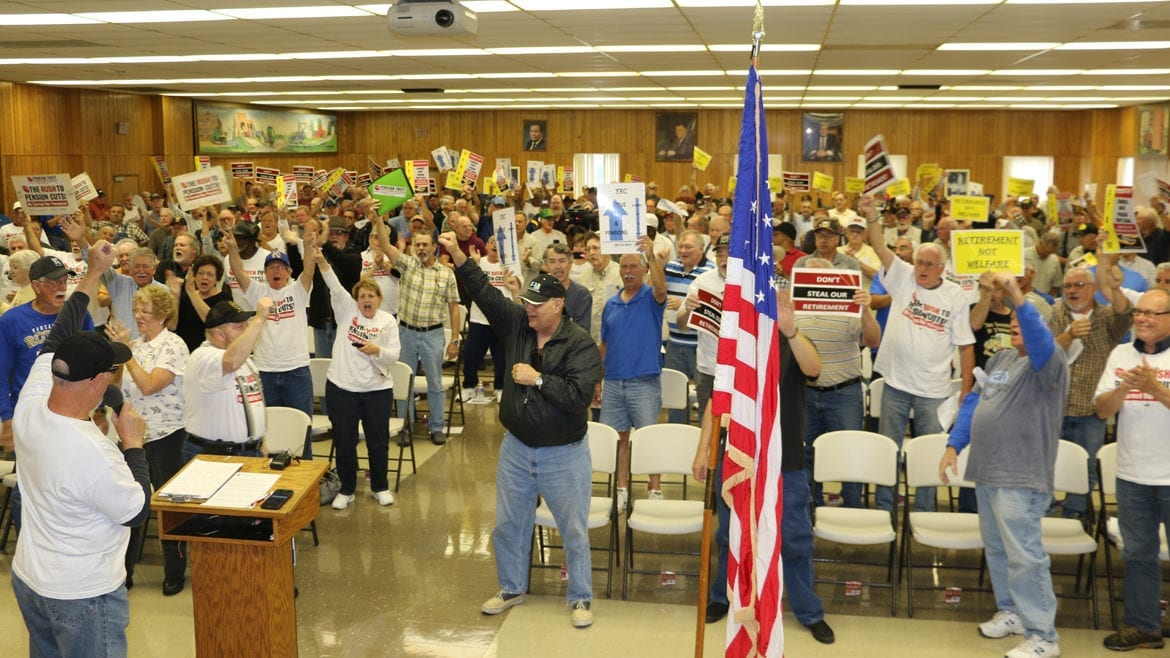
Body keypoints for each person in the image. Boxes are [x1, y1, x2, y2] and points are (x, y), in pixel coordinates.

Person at [439, 228, 601, 628]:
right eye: (526, 301)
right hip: (516, 448)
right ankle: (512, 587)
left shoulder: (579, 343)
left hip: (564, 452)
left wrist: (539, 379)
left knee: (574, 529)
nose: (528, 308)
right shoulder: (516, 325)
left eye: (537, 304)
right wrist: (460, 255)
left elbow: (579, 397)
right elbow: (484, 292)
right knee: (509, 525)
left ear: (558, 305)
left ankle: (580, 597)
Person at [11, 239, 151, 657]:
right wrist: (133, 445)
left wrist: (92, 273)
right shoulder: (94, 452)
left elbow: (60, 331)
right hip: (82, 593)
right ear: (97, 381)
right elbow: (136, 510)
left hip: (31, 579)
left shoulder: (32, 401)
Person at [692, 285, 834, 645]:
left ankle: (809, 611)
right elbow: (716, 402)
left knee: (796, 539)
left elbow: (814, 368)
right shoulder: (737, 342)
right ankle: (723, 598)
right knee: (730, 536)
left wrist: (790, 330)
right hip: (740, 458)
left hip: (786, 461)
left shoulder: (791, 337)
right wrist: (702, 448)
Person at [939, 272, 1067, 658]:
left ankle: (1044, 635)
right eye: (1010, 318)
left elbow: (1039, 337)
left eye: (1021, 318)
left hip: (1022, 476)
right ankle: (1012, 613)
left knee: (1025, 555)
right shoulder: (1001, 358)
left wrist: (1014, 294)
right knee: (998, 549)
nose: (1014, 322)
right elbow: (975, 403)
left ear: (1040, 325)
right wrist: (953, 445)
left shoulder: (1050, 363)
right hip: (988, 471)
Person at [863, 196, 975, 512]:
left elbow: (966, 346)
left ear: (942, 268)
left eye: (929, 265)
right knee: (889, 450)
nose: (922, 269)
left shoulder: (955, 295)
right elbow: (881, 249)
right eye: (919, 263)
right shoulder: (903, 276)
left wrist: (966, 390)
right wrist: (872, 217)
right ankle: (884, 510)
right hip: (896, 384)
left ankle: (924, 512)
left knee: (929, 453)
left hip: (934, 391)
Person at [1094, 288, 1170, 652]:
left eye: (1153, 313)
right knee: (1138, 554)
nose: (1142, 318)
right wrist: (1125, 385)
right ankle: (1143, 626)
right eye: (1139, 311)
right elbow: (1102, 410)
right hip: (1132, 474)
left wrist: (1155, 388)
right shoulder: (1121, 353)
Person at [107, 285, 191, 596]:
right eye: (138, 310)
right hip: (132, 435)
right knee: (128, 503)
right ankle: (123, 572)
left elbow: (149, 385)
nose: (139, 316)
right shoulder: (136, 346)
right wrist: (118, 355)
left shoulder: (174, 345)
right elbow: (116, 387)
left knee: (169, 505)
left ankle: (175, 570)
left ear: (163, 315)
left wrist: (127, 356)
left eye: (146, 312)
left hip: (166, 434)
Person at [316, 246, 401, 510]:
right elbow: (333, 283)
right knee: (344, 440)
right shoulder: (346, 311)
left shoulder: (387, 321)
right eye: (362, 296)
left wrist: (377, 350)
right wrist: (320, 261)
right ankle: (347, 489)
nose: (367, 300)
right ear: (356, 299)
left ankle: (380, 487)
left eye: (371, 296)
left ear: (378, 299)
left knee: (378, 441)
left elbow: (394, 355)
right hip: (342, 389)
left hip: (377, 390)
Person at [797, 257, 881, 508]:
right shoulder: (794, 308)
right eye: (810, 278)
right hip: (805, 393)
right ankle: (809, 512)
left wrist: (866, 309)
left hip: (843, 393)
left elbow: (873, 340)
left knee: (849, 453)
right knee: (807, 455)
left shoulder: (850, 307)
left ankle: (853, 509)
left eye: (822, 277)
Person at [1050, 266, 1131, 520]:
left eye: (1078, 285)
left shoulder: (1106, 317)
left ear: (1093, 288)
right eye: (1068, 286)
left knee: (1085, 467)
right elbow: (1043, 356)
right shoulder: (1054, 312)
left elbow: (1126, 315)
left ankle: (1075, 514)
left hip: (1090, 409)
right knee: (1046, 463)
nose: (1072, 291)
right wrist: (1068, 335)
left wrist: (1115, 288)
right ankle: (1044, 511)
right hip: (1052, 407)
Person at [224, 228, 316, 438]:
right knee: (267, 430)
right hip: (265, 371)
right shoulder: (258, 291)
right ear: (265, 273)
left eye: (281, 267)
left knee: (302, 430)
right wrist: (231, 248)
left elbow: (309, 271)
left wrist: (309, 245)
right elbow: (238, 271)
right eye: (272, 267)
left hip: (296, 371)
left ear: (289, 272)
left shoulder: (297, 291)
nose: (276, 271)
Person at [599, 236, 667, 509]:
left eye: (634, 266)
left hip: (644, 382)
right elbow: (604, 345)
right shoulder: (611, 305)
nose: (628, 271)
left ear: (644, 270)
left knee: (649, 438)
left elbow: (662, 289)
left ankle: (655, 488)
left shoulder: (651, 297)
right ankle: (622, 487)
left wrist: (651, 255)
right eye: (624, 266)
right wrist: (598, 380)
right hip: (613, 382)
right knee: (620, 440)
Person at [379, 224, 461, 445]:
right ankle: (406, 425)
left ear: (435, 247)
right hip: (405, 332)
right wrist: (378, 219)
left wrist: (454, 339)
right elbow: (386, 245)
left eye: (426, 244)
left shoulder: (446, 274)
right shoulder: (407, 264)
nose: (422, 248)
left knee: (435, 383)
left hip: (433, 335)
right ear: (413, 247)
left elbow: (454, 308)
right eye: (418, 244)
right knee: (405, 381)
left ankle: (436, 427)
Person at [182, 297, 272, 459]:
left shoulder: (245, 360)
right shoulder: (203, 357)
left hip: (249, 451)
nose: (246, 329)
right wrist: (259, 319)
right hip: (214, 454)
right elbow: (231, 362)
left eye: (247, 324)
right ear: (219, 333)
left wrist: (260, 441)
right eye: (239, 326)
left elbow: (253, 403)